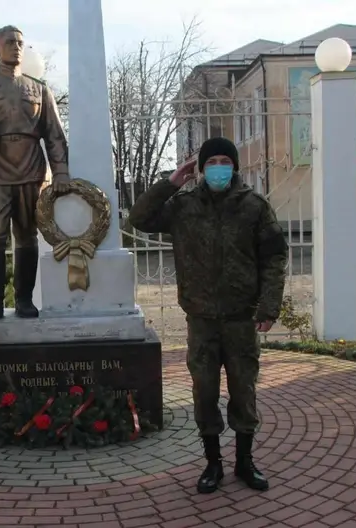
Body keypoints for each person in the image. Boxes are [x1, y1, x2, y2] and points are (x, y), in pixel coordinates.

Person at [128, 137, 288, 494]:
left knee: (243, 391)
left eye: (224, 160)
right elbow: (139, 218)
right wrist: (171, 182)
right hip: (200, 318)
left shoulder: (253, 207)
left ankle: (245, 462)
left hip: (241, 318)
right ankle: (212, 463)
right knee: (204, 391)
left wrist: (268, 306)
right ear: (201, 167)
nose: (219, 166)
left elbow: (274, 256)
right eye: (212, 161)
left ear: (234, 166)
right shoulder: (182, 206)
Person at [0, 24, 69, 329]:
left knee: (27, 236)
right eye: (9, 42)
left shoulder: (39, 89)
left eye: (20, 42)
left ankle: (24, 300)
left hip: (31, 168)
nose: (16, 47)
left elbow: (55, 136)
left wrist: (61, 173)